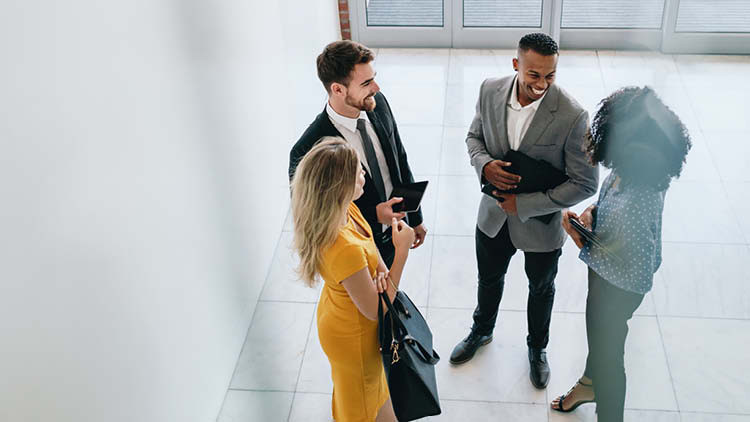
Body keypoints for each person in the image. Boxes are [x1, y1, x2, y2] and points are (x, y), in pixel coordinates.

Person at [451, 32, 599, 390]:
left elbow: (585, 183)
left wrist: (526, 204)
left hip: (541, 227)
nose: (542, 84)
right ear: (516, 65)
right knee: (488, 279)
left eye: (550, 76)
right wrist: (484, 164)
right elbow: (474, 138)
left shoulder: (573, 115)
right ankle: (481, 331)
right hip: (492, 217)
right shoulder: (489, 90)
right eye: (534, 75)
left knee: (541, 288)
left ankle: (537, 349)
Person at [551, 86, 691, 421]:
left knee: (609, 358)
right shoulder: (634, 169)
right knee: (601, 343)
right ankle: (587, 384)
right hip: (607, 282)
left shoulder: (641, 193)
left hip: (617, 289)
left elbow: (634, 264)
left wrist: (582, 240)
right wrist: (592, 215)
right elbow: (610, 205)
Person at [291, 137, 416, 422]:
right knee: (358, 404)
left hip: (344, 313)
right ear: (339, 185)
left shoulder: (346, 208)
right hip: (355, 336)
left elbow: (374, 261)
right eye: (358, 172)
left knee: (373, 392)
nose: (364, 175)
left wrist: (384, 277)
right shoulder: (343, 248)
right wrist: (402, 253)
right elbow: (376, 310)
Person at [289, 40, 427, 267]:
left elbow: (399, 158)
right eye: (366, 82)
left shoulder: (377, 103)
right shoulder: (308, 149)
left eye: (374, 78)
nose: (377, 88)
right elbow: (313, 218)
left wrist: (416, 217)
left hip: (396, 233)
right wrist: (374, 215)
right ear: (338, 89)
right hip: (355, 252)